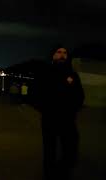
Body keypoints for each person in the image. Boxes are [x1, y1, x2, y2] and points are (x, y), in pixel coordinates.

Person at [30, 46, 84, 180]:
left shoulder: (73, 74)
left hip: (68, 119)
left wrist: (72, 110)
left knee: (70, 149)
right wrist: (45, 110)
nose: (62, 55)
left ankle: (62, 172)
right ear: (52, 55)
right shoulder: (44, 73)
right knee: (50, 151)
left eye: (65, 53)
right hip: (50, 118)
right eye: (59, 52)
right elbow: (34, 94)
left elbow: (80, 95)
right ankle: (49, 175)